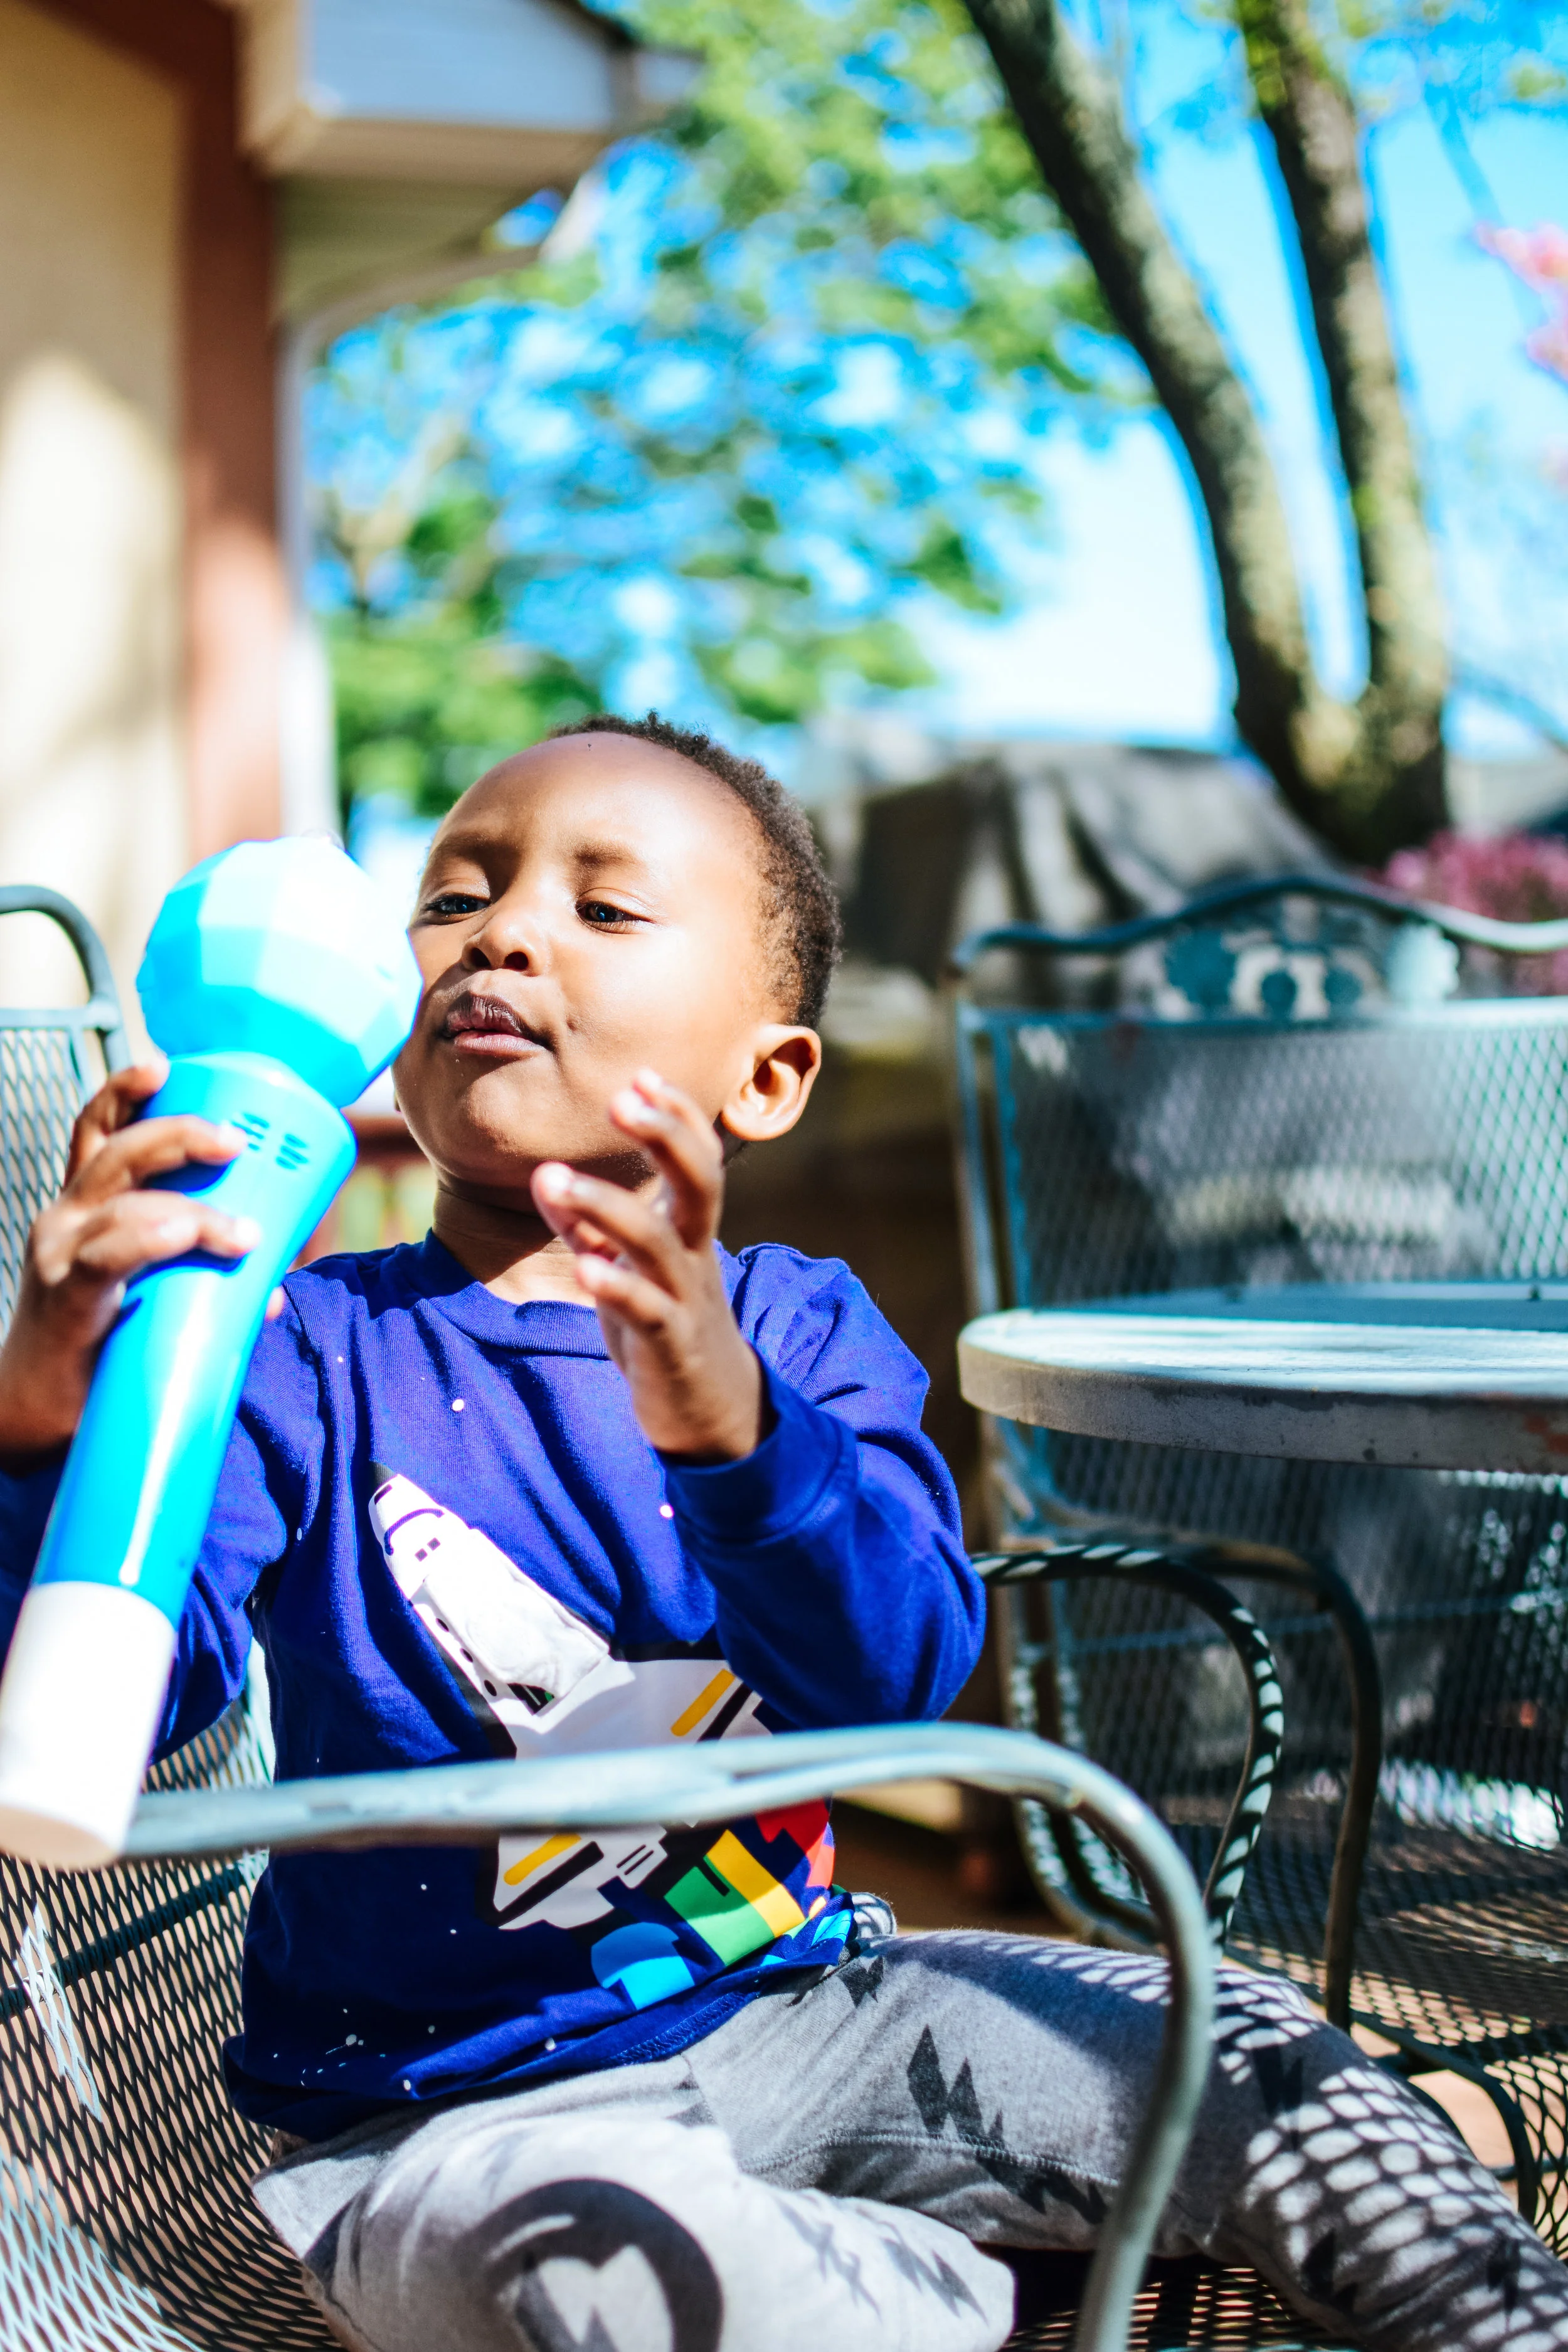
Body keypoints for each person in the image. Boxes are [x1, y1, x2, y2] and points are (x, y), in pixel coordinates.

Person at [0, 714, 1560, 2352]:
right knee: (605, 2256)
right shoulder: (297, 1348)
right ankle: (902, 2281)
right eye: (457, 898)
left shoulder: (799, 1329)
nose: (505, 930)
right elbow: (135, 1707)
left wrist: (726, 1418)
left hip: (812, 2011)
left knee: (1233, 2039)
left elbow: (889, 1671)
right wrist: (52, 1433)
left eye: (604, 910)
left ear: (765, 1074)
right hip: (447, 2122)